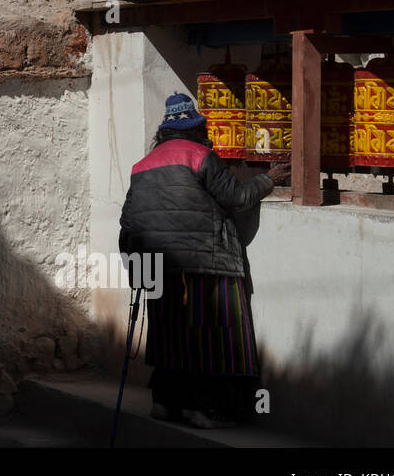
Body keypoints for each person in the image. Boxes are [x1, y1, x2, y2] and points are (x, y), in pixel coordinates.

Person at [118, 92, 289, 429]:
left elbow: (127, 223)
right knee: (209, 336)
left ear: (163, 133)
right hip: (204, 265)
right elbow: (237, 198)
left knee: (170, 334)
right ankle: (203, 408)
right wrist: (270, 179)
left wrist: (136, 269)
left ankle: (165, 403)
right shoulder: (202, 156)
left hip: (157, 268)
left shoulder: (142, 166)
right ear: (198, 130)